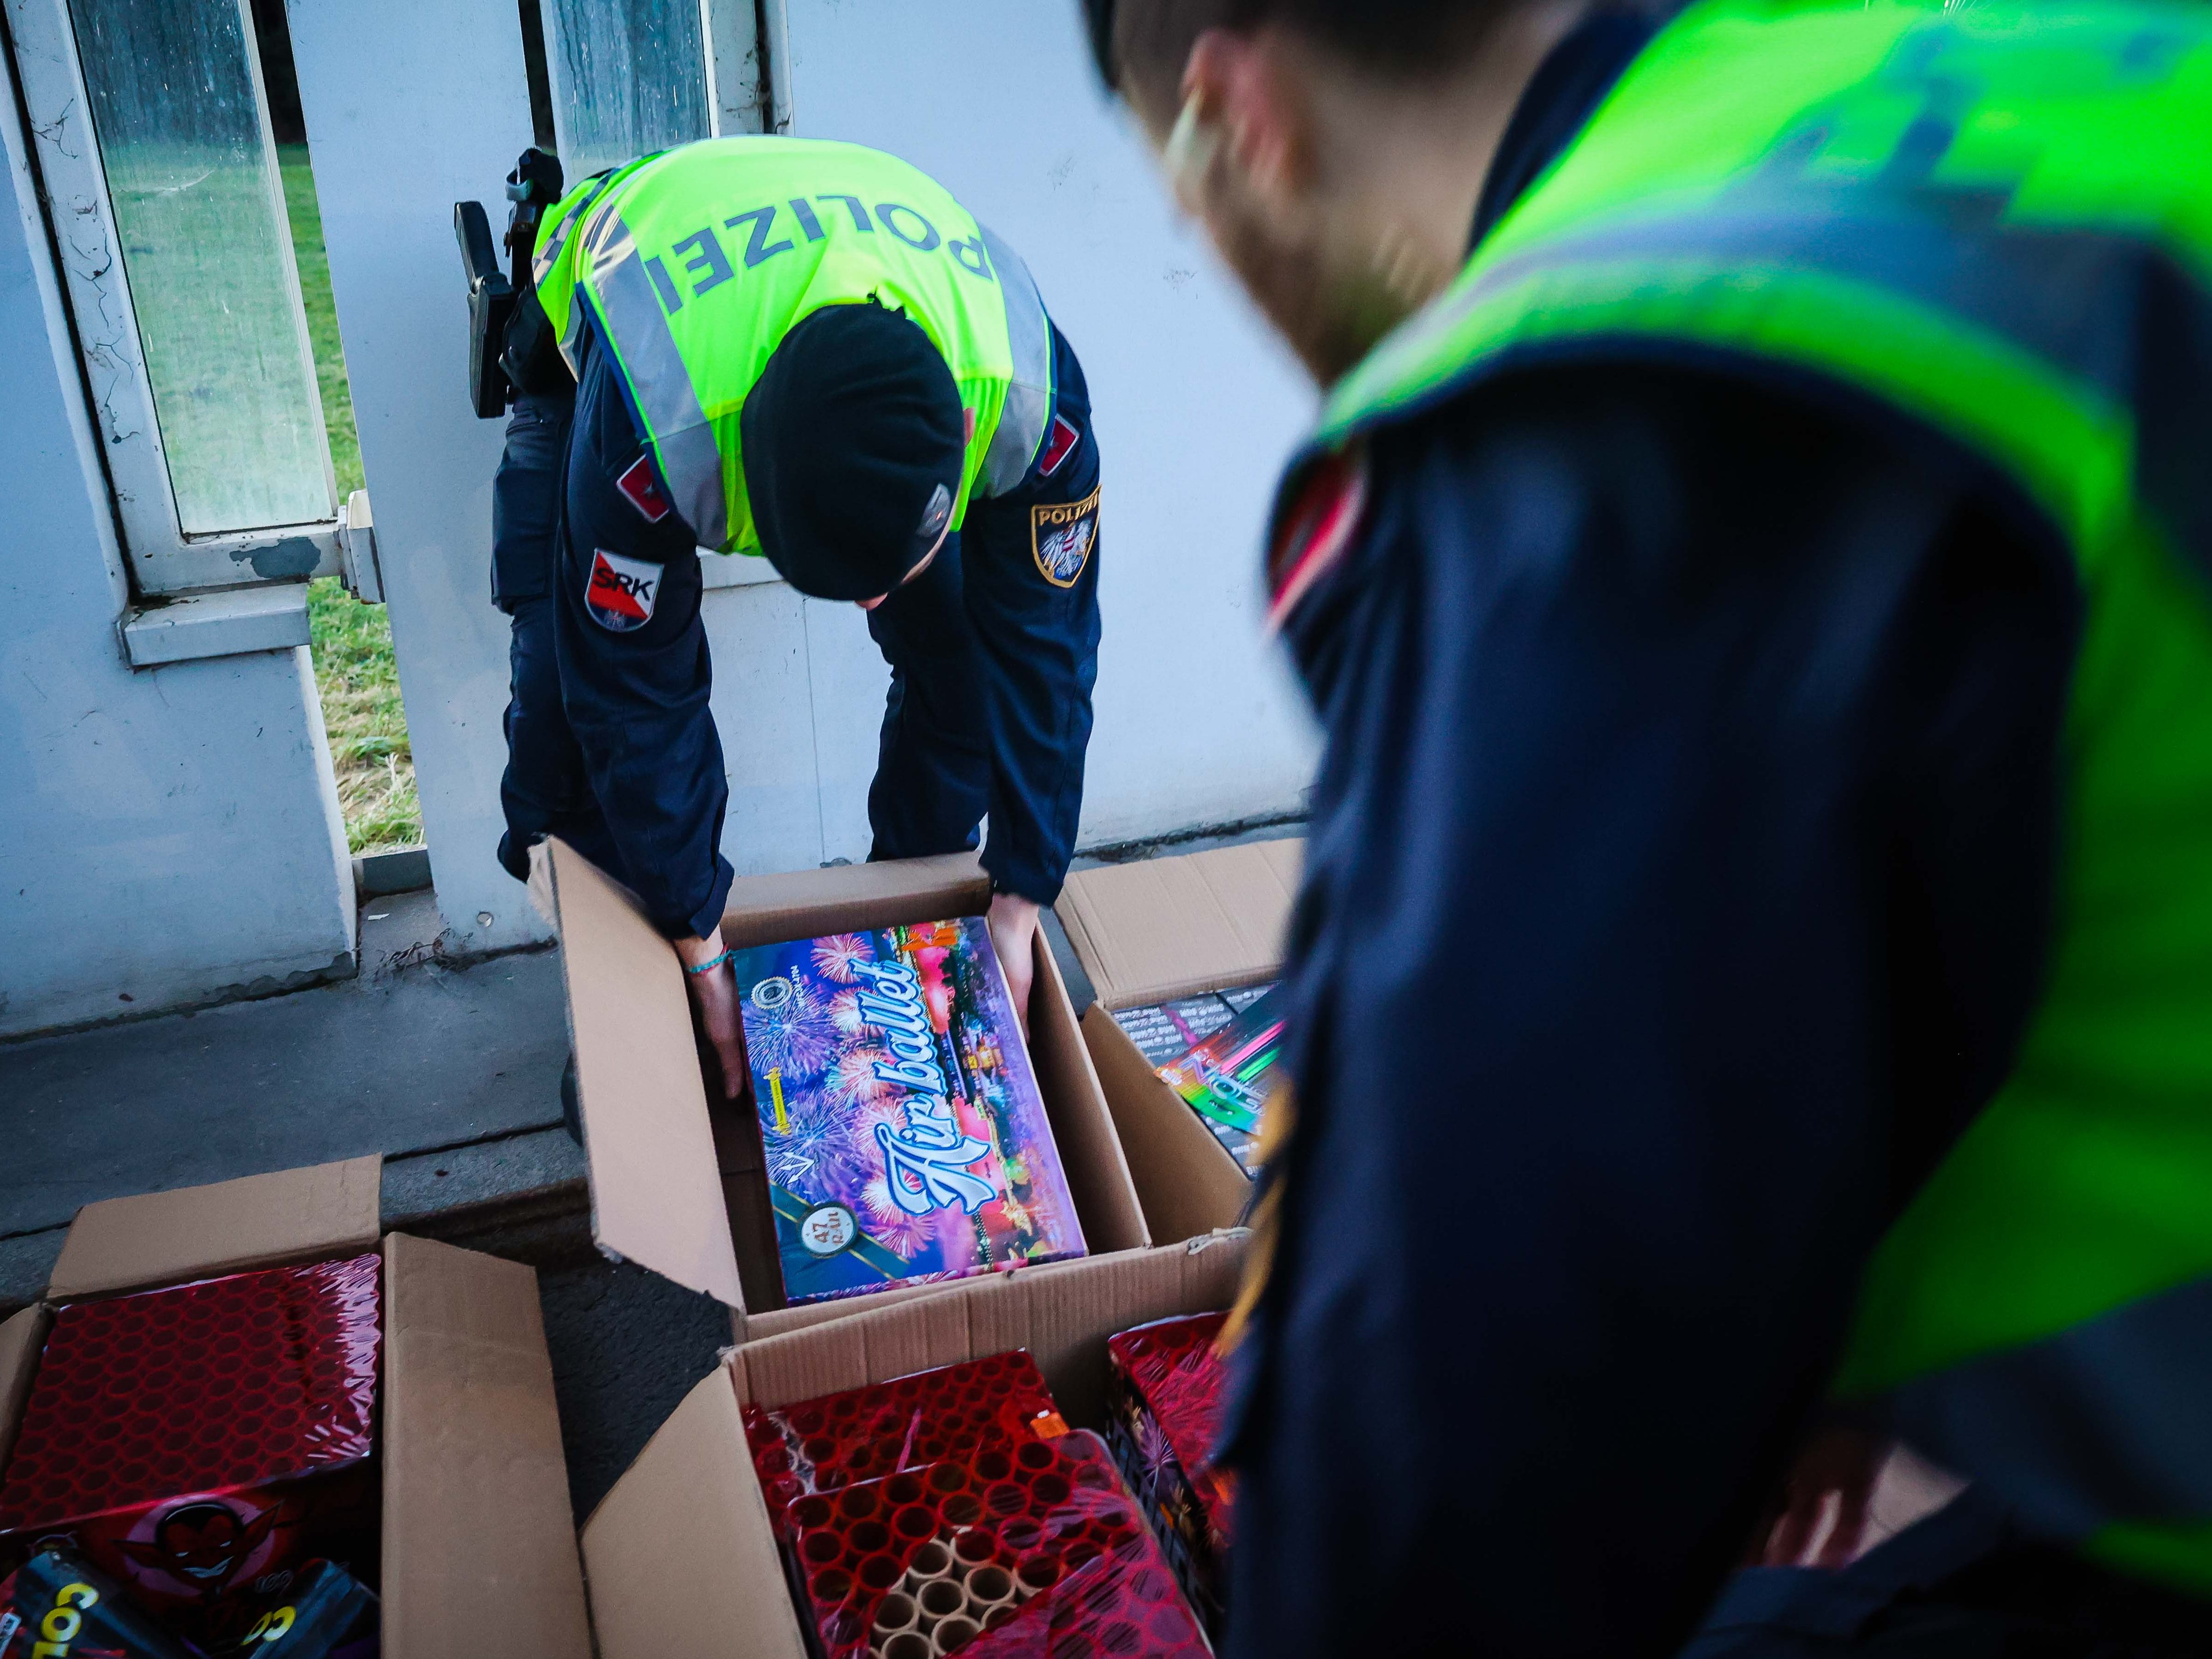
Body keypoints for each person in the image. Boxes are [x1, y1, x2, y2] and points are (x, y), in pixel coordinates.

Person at [1082, 0, 2212, 1654]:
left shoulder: (1629, 387)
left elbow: (1427, 1517)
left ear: (1236, 122)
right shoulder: (2018, 65)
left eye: (1197, 234)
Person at [490, 137, 1104, 1095]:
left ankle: (911, 926)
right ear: (742, 483)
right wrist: (696, 939)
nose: (867, 605)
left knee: (972, 672)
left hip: (835, 262)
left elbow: (1048, 653)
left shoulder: (1030, 396)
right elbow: (632, 699)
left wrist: (1024, 888)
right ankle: (639, 999)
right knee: (564, 724)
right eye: (829, 579)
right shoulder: (657, 426)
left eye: (883, 576)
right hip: (610, 317)